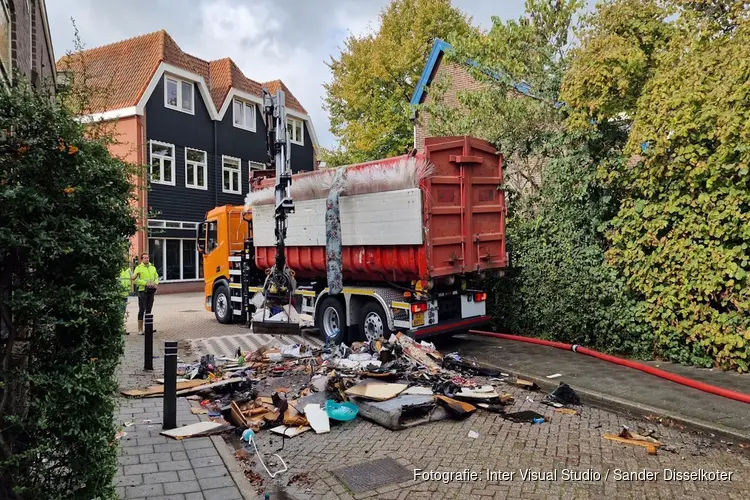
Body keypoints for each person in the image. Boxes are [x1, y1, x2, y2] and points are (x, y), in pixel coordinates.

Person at [134, 252, 159, 335]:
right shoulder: (138, 268)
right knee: (142, 309)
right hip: (142, 291)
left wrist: (155, 283)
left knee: (149, 309)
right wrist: (145, 283)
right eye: (144, 258)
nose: (146, 259)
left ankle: (148, 328)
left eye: (147, 257)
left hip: (151, 291)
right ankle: (140, 329)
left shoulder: (153, 267)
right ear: (142, 259)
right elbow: (135, 280)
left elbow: (156, 277)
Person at [119, 259, 135, 334]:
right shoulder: (119, 270)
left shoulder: (129, 270)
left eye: (126, 263)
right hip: (118, 294)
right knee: (119, 311)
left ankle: (121, 328)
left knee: (123, 312)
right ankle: (119, 328)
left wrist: (137, 274)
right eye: (124, 263)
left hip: (125, 294)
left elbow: (132, 277)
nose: (126, 264)